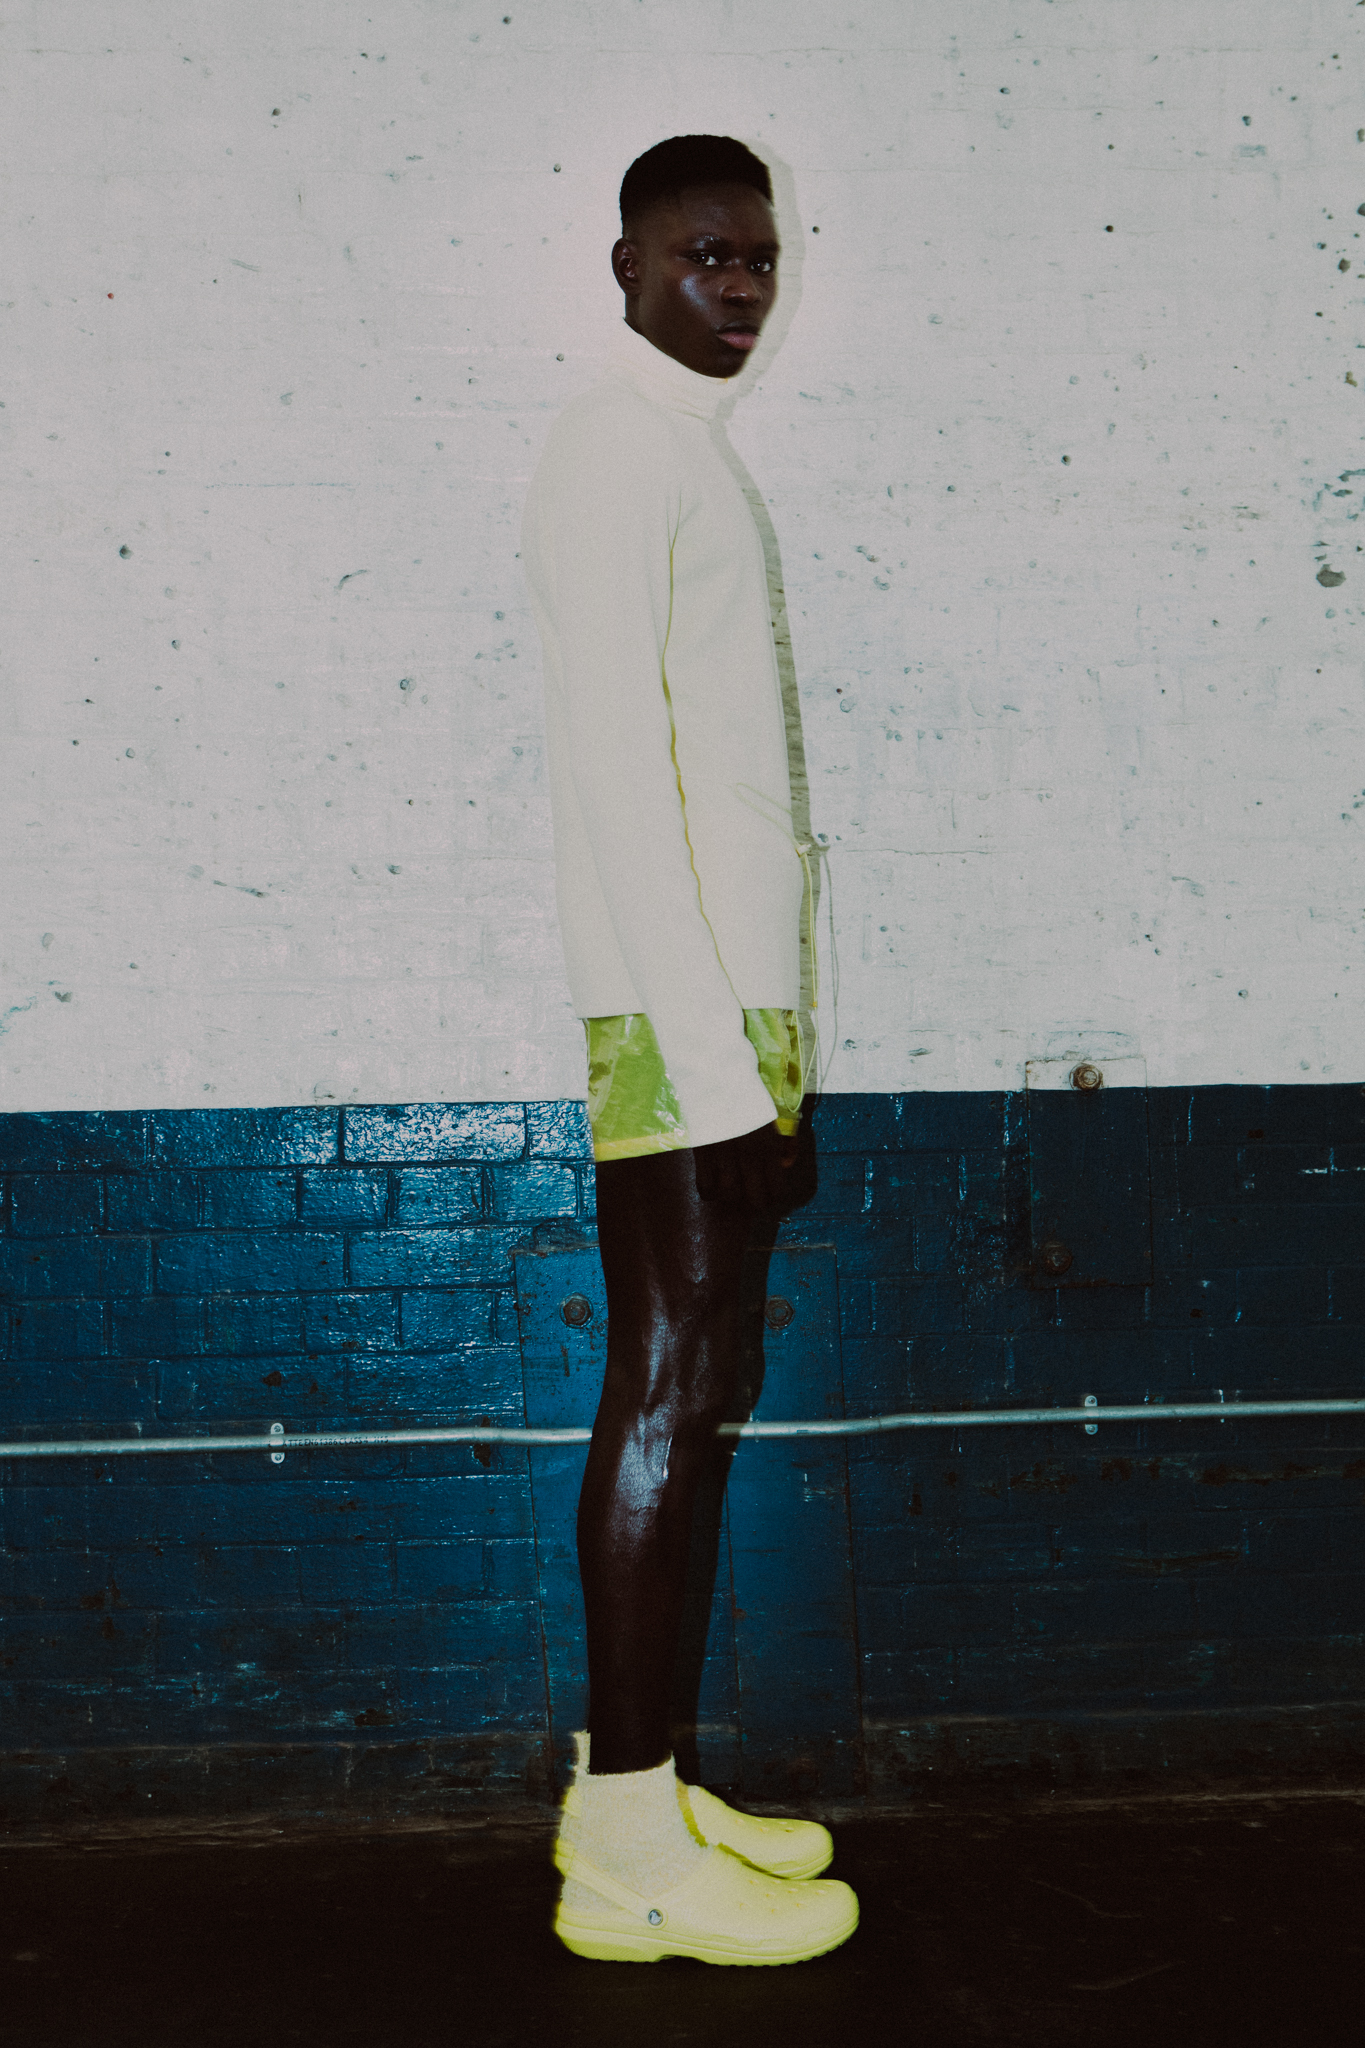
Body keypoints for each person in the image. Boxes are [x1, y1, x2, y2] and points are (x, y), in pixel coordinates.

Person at [520, 134, 858, 1968]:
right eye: (703, 256)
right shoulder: (613, 446)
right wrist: (721, 1075)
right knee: (663, 1386)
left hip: (725, 1009)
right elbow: (615, 777)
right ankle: (631, 1855)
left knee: (701, 1378)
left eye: (758, 260)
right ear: (629, 267)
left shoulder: (680, 451)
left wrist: (769, 1045)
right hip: (683, 1017)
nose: (738, 287)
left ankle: (631, 1790)